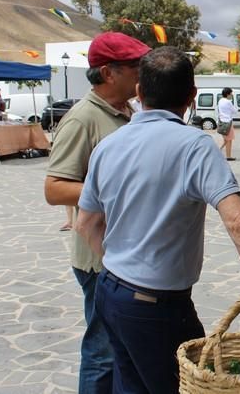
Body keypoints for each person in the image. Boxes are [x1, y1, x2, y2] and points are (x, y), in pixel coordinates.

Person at [75, 46, 240, 394]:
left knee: (129, 384)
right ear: (192, 96)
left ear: (139, 92)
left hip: (111, 293)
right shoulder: (196, 146)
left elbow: (86, 223)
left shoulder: (109, 145)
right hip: (156, 306)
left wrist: (121, 269)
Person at [44, 31, 151, 394]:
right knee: (102, 353)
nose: (143, 72)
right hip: (98, 257)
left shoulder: (129, 111)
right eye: (136, 66)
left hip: (125, 252)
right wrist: (116, 194)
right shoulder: (82, 119)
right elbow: (54, 188)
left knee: (123, 351)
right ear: (108, 73)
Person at [217, 87, 237, 160]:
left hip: (221, 122)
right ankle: (228, 156)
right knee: (229, 140)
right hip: (228, 123)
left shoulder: (220, 101)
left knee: (226, 140)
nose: (232, 94)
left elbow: (218, 111)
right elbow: (235, 111)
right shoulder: (228, 102)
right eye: (231, 93)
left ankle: (217, 151)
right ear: (228, 94)